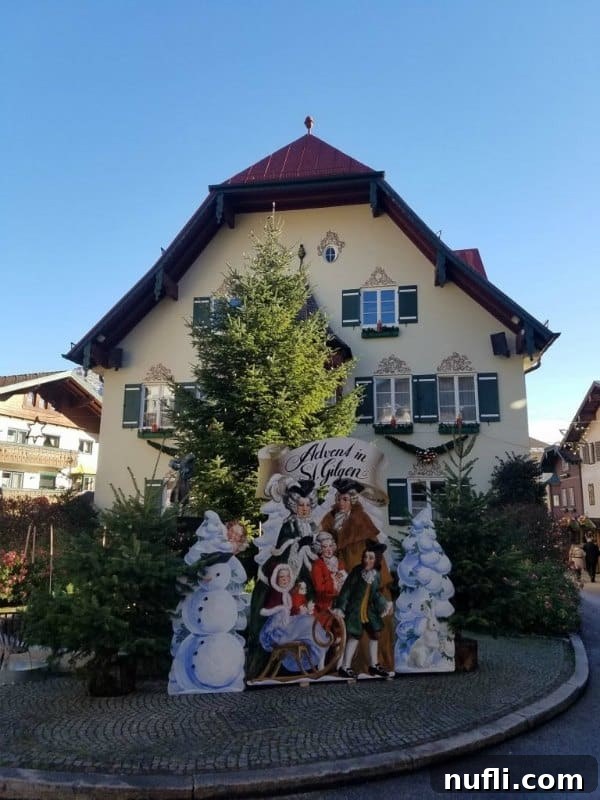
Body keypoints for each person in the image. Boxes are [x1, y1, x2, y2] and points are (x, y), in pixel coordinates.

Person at [319, 478, 394, 673]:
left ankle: (370, 664)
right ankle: (340, 664)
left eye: (345, 499)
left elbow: (376, 552)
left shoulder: (361, 519)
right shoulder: (330, 519)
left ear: (352, 500)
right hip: (338, 574)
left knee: (370, 623)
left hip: (361, 572)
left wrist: (380, 578)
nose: (341, 503)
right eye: (339, 499)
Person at [333, 542, 394, 679]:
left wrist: (385, 604)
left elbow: (376, 594)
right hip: (355, 610)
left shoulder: (376, 575)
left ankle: (374, 665)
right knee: (354, 636)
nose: (367, 560)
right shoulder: (357, 572)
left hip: (368, 612)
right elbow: (346, 590)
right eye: (365, 557)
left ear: (377, 560)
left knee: (375, 635)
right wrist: (340, 607)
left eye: (371, 558)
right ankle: (345, 667)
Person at [310, 532, 347, 626]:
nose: (328, 550)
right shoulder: (317, 565)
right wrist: (333, 580)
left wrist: (342, 577)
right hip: (325, 602)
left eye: (330, 546)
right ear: (320, 549)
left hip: (342, 598)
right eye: (325, 547)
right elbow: (319, 588)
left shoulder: (338, 561)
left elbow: (345, 580)